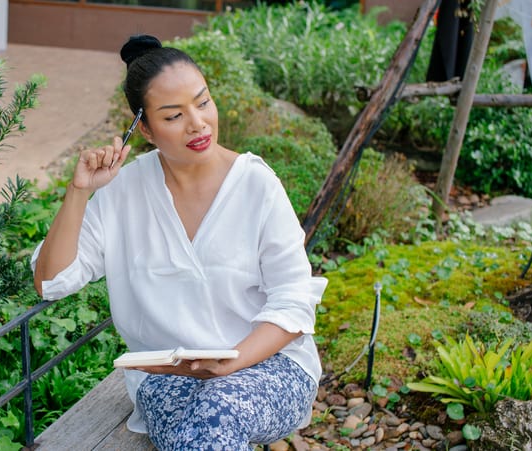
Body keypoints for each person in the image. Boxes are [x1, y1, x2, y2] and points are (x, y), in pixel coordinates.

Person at [32, 34, 328, 450]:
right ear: (146, 129)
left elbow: (294, 300)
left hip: (270, 368)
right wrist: (79, 191)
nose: (198, 123)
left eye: (202, 102)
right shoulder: (122, 193)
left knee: (216, 414)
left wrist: (231, 363)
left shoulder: (256, 185)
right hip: (169, 382)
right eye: (173, 116)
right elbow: (51, 283)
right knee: (203, 433)